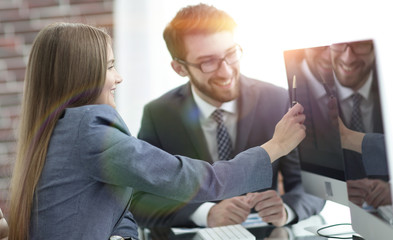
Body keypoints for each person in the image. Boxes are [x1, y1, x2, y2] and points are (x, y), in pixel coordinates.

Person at [7, 22, 306, 240]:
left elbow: (123, 208)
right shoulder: (88, 129)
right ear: (82, 75)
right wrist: (275, 146)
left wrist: (123, 237)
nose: (119, 77)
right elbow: (190, 179)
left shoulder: (57, 130)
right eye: (110, 66)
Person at [130, 3, 324, 230]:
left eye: (231, 54)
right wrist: (206, 213)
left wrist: (286, 210)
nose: (226, 71)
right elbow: (138, 198)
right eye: (208, 62)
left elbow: (311, 186)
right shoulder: (159, 114)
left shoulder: (277, 100)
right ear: (179, 68)